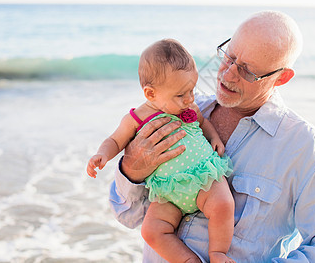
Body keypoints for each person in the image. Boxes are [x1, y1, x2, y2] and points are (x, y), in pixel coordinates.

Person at [109, 10, 315, 262]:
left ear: (281, 77)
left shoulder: (303, 147)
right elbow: (129, 216)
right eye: (229, 56)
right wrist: (132, 169)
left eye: (247, 71)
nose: (228, 74)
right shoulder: (179, 110)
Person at [87, 39, 234, 263]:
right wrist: (102, 155)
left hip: (204, 177)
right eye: (180, 95)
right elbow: (115, 141)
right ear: (150, 93)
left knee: (223, 204)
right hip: (168, 193)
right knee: (151, 231)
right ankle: (187, 260)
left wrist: (214, 138)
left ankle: (218, 253)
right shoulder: (135, 119)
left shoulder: (190, 107)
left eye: (192, 90)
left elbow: (203, 123)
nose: (190, 99)